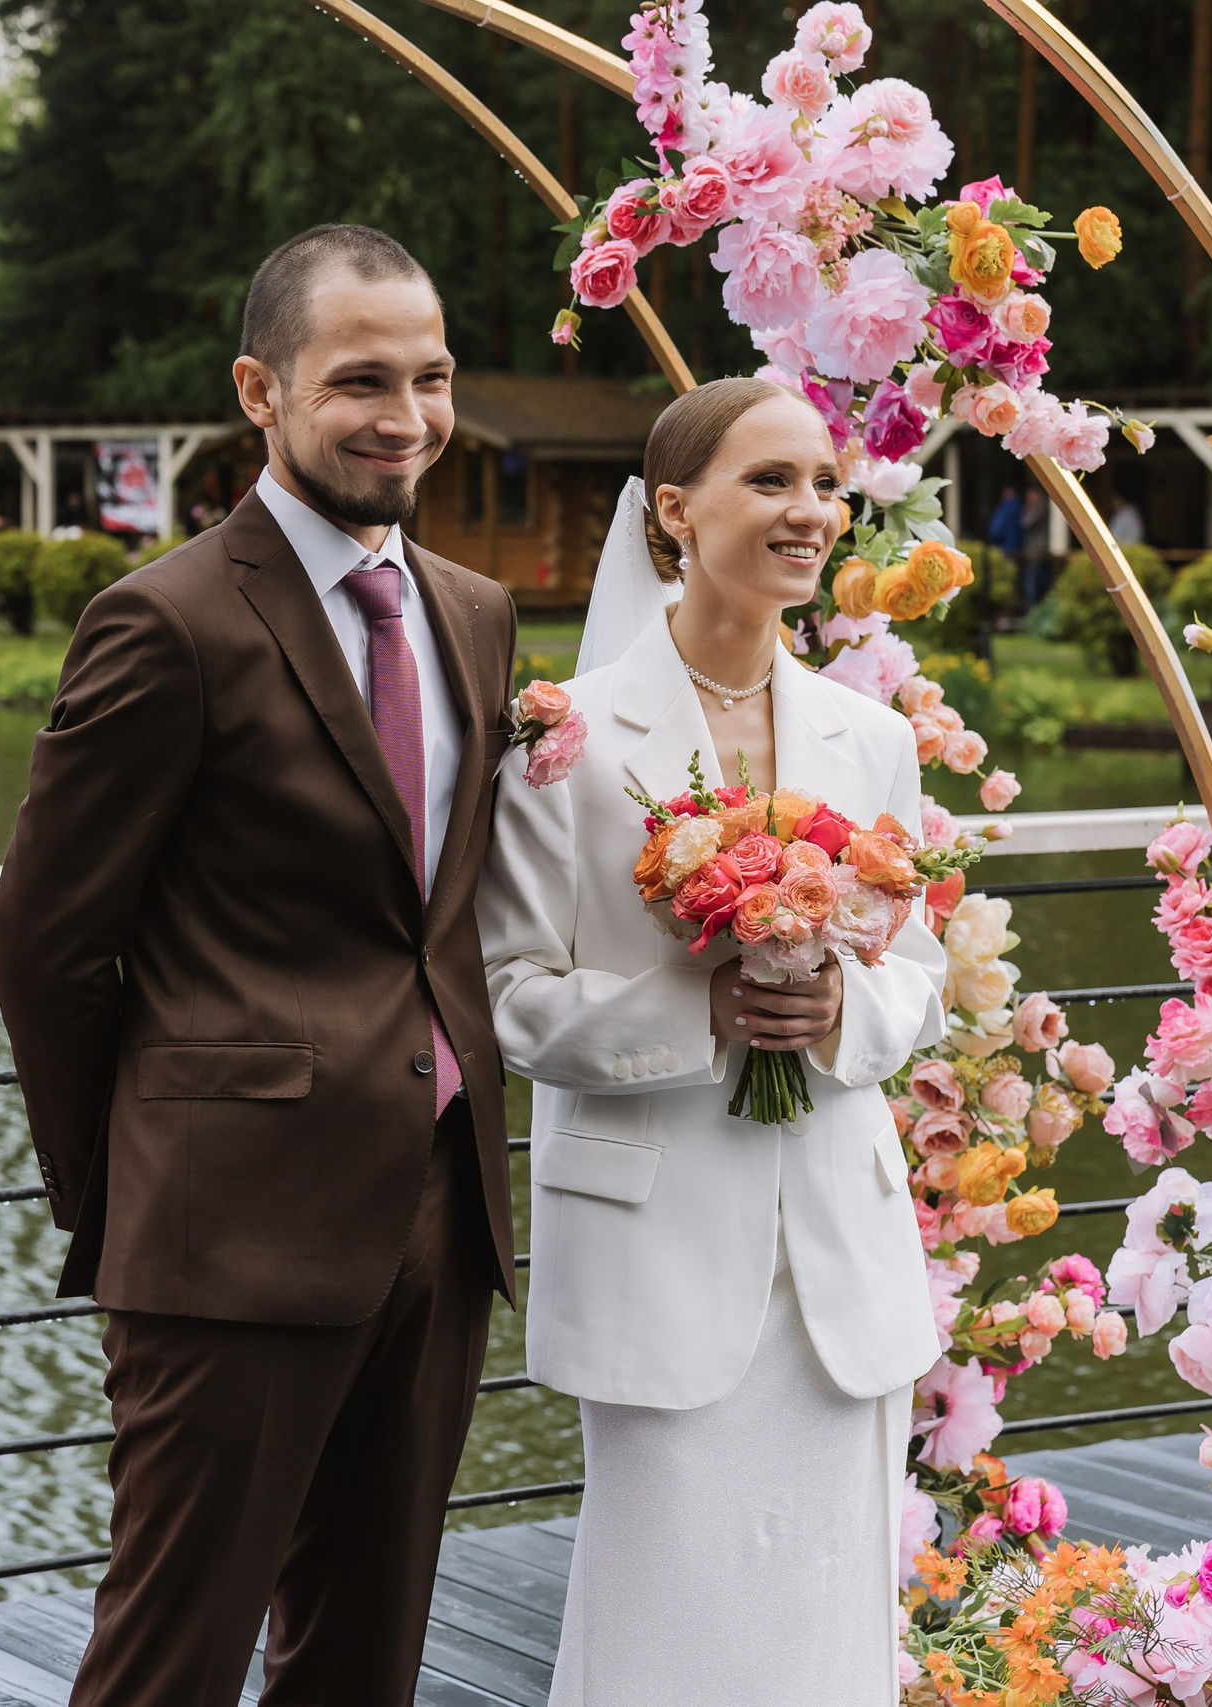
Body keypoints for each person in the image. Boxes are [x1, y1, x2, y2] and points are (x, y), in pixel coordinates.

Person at [0, 224, 518, 1707]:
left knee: (365, 1656)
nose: (403, 415)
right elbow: (48, 944)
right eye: (360, 379)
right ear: (260, 392)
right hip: (224, 1230)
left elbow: (443, 914)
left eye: (429, 376)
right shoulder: (167, 621)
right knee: (170, 1656)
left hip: (438, 1210)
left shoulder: (473, 615)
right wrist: (123, 1191)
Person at [476, 377, 943, 1705]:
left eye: (826, 483)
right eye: (773, 481)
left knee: (829, 1617)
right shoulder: (563, 738)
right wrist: (703, 1013)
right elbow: (510, 995)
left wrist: (849, 1012)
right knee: (665, 1622)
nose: (813, 511)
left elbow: (916, 973)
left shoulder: (875, 736)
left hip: (842, 1262)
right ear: (675, 509)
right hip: (656, 1245)